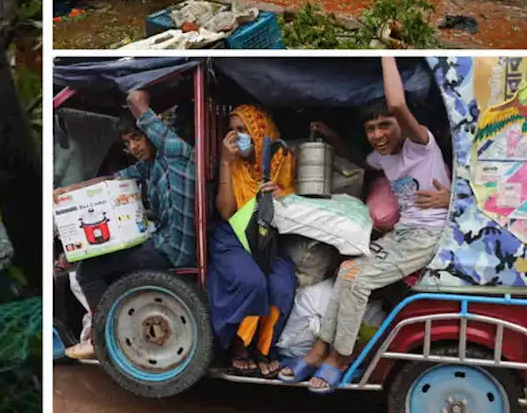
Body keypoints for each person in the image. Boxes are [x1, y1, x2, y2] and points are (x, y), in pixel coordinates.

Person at [279, 57, 452, 394]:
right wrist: (332, 137)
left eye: (385, 125)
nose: (378, 135)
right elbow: (360, 161)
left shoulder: (421, 147)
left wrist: (386, 53)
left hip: (426, 236)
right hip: (402, 234)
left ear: (402, 125)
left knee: (358, 281)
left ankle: (340, 359)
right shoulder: (385, 157)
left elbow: (397, 103)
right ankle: (318, 351)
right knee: (346, 271)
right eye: (371, 129)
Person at [57, 88, 196, 360]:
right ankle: (112, 327)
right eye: (127, 142)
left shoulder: (176, 153)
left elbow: (136, 100)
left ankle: (100, 339)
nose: (133, 147)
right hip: (162, 241)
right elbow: (113, 180)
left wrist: (136, 96)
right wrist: (70, 189)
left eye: (137, 138)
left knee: (87, 271)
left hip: (174, 248)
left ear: (152, 133)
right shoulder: (151, 165)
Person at [207, 104, 299, 378]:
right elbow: (225, 211)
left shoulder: (281, 158)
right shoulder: (231, 163)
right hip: (232, 236)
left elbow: (292, 200)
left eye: (242, 130)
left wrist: (280, 194)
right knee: (252, 282)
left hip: (265, 237)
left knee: (281, 286)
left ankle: (263, 349)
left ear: (260, 133)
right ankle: (239, 346)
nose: (236, 137)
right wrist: (225, 163)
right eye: (232, 131)